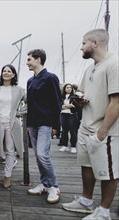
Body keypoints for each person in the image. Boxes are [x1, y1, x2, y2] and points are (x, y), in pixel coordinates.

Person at [62, 29, 118, 220]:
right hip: (85, 127)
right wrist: (79, 100)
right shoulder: (90, 68)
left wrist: (101, 134)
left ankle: (103, 212)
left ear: (95, 43)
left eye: (84, 43)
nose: (81, 47)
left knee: (107, 172)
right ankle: (86, 201)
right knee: (86, 165)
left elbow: (116, 102)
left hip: (105, 131)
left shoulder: (114, 64)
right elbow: (83, 94)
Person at [26, 49, 62, 204]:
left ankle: (54, 186)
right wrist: (28, 125)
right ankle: (44, 183)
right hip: (33, 123)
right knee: (38, 156)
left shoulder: (50, 78)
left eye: (29, 59)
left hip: (46, 122)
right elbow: (30, 105)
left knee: (43, 154)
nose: (27, 62)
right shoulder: (30, 80)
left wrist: (56, 126)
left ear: (38, 59)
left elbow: (57, 103)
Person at [0, 64, 25, 188]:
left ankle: (7, 176)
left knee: (10, 150)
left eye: (9, 71)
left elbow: (28, 102)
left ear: (13, 74)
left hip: (11, 123)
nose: (6, 73)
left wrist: (20, 112)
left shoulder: (19, 89)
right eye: (4, 71)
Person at [58, 83, 79, 154]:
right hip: (63, 114)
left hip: (71, 115)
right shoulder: (61, 96)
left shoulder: (75, 96)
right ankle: (64, 145)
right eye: (67, 87)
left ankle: (73, 146)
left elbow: (75, 105)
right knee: (64, 131)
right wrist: (67, 106)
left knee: (73, 131)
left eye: (70, 87)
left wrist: (67, 106)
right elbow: (59, 105)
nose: (69, 88)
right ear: (64, 89)